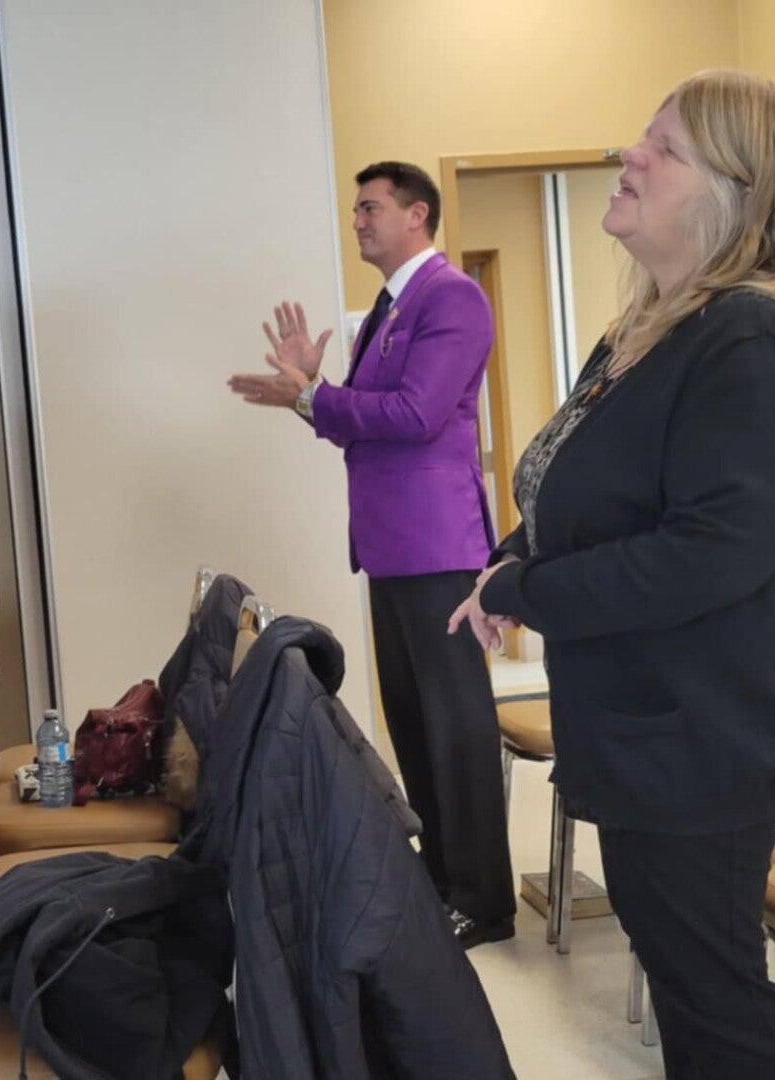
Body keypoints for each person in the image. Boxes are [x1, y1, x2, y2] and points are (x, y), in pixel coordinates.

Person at [448, 70, 775, 1078]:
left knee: (715, 1002)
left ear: (739, 193)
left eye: (665, 148)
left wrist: (522, 593)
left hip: (707, 727)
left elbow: (709, 554)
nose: (630, 156)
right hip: (653, 719)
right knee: (692, 985)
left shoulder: (752, 335)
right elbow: (582, 490)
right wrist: (513, 555)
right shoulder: (649, 330)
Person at [226, 161, 515, 947]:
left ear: (417, 214)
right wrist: (311, 391)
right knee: (414, 722)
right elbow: (362, 421)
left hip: (437, 545)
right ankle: (442, 880)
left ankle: (484, 900)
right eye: (355, 210)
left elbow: (416, 415)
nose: (357, 220)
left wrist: (313, 395)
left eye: (370, 207)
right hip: (391, 546)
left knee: (455, 725)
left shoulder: (451, 297)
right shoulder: (389, 307)